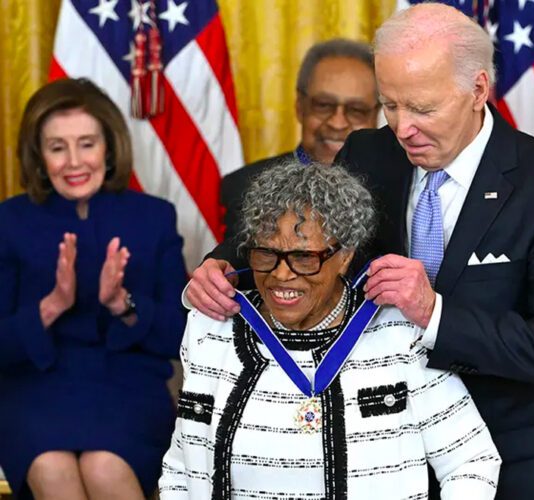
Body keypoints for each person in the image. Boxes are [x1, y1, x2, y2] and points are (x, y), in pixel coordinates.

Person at [185, 4, 534, 499]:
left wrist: (433, 312)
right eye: (391, 105)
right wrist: (223, 263)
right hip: (385, 457)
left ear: (478, 90)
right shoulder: (369, 153)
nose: (403, 128)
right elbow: (297, 226)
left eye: (422, 109)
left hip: (516, 455)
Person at [159, 161, 501, 499]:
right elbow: (180, 466)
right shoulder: (210, 327)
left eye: (304, 258)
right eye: (266, 254)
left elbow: (470, 460)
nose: (281, 275)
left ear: (345, 256)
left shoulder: (397, 331)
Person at [0, 78, 187, 499]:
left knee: (104, 467)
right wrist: (51, 306)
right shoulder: (9, 221)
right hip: (35, 388)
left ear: (109, 147)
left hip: (127, 386)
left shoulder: (154, 217)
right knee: (51, 468)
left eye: (86, 143)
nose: (73, 161)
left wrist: (124, 305)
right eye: (57, 147)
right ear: (38, 154)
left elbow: (181, 336)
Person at [220, 38, 379, 242]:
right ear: (300, 107)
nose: (337, 123)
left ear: (376, 115)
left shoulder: (396, 187)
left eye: (356, 110)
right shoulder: (243, 187)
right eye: (323, 105)